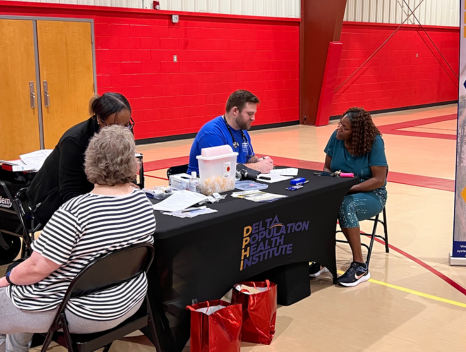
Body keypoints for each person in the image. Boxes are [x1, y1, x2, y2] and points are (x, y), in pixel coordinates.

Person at [0, 126, 156, 352]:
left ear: (89, 163)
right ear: (134, 165)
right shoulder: (142, 202)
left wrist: (5, 280)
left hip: (81, 312)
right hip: (128, 301)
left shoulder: (75, 211)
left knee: (19, 284)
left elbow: (35, 269)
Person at [27, 92, 135, 225]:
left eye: (126, 125)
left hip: (95, 196)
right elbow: (69, 191)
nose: (123, 131)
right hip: (53, 200)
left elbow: (124, 167)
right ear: (100, 120)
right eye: (115, 126)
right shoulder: (74, 141)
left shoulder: (123, 132)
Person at [310, 107, 387, 287]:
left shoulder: (374, 143)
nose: (339, 129)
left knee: (345, 206)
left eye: (345, 127)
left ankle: (360, 266)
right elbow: (327, 168)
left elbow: (378, 180)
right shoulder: (335, 139)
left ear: (357, 133)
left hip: (372, 194)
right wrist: (331, 184)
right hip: (341, 191)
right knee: (317, 204)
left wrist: (349, 189)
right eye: (339, 124)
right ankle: (322, 258)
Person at [187, 90, 273, 174]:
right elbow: (220, 169)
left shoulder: (242, 130)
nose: (253, 118)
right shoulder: (212, 133)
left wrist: (259, 161)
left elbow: (248, 158)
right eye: (249, 114)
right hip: (204, 184)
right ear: (235, 111)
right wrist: (257, 167)